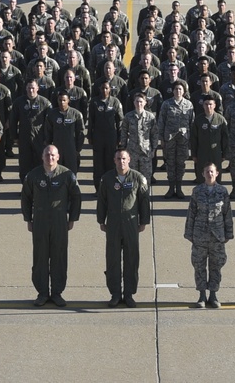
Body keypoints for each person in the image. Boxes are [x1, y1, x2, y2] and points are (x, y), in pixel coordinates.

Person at [21, 145, 82, 307]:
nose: (50, 158)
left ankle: (57, 292)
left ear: (58, 156)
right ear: (42, 157)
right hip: (39, 221)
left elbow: (76, 197)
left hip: (59, 221)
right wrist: (28, 219)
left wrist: (72, 218)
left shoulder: (67, 175)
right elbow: (26, 198)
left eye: (53, 155)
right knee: (40, 257)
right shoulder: (33, 175)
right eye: (47, 155)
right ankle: (42, 293)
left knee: (59, 257)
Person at [97, 149, 151, 308]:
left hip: (131, 224)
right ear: (114, 160)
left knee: (131, 259)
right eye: (119, 158)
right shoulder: (107, 178)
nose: (121, 161)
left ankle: (128, 294)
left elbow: (144, 201)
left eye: (124, 159)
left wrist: (144, 221)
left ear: (129, 160)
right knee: (112, 259)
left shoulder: (138, 178)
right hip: (113, 224)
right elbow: (102, 200)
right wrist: (101, 220)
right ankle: (115, 293)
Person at [184, 162, 234, 308]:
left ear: (217, 173)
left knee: (216, 265)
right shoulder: (197, 191)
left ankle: (213, 295)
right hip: (200, 235)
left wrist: (228, 234)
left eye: (212, 172)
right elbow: (191, 213)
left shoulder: (223, 191)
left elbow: (227, 214)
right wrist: (189, 233)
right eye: (207, 171)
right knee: (199, 266)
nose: (209, 174)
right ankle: (201, 295)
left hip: (217, 236)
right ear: (203, 174)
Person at [157, 80, 195, 199]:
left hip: (183, 139)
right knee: (170, 163)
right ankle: (171, 187)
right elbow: (161, 121)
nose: (178, 91)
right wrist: (161, 139)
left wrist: (191, 140)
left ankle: (179, 188)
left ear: (184, 91)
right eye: (176, 89)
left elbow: (192, 122)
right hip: (170, 139)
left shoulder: (189, 105)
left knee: (181, 164)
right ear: (172, 91)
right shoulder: (167, 104)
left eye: (180, 89)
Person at [119, 93, 159, 183]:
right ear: (134, 103)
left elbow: (154, 134)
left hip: (146, 152)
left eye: (141, 102)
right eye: (137, 101)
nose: (139, 104)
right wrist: (123, 148)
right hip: (132, 151)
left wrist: (154, 149)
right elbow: (124, 133)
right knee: (131, 177)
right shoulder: (128, 116)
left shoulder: (150, 117)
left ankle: (145, 196)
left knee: (145, 178)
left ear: (145, 103)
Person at [190, 96, 229, 182]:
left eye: (210, 104)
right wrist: (194, 154)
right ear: (203, 105)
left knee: (216, 176)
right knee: (202, 176)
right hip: (202, 153)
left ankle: (217, 194)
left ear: (214, 105)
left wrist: (224, 154)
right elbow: (194, 138)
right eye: (206, 104)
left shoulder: (220, 120)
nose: (208, 107)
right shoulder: (198, 120)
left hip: (216, 153)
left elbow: (225, 138)